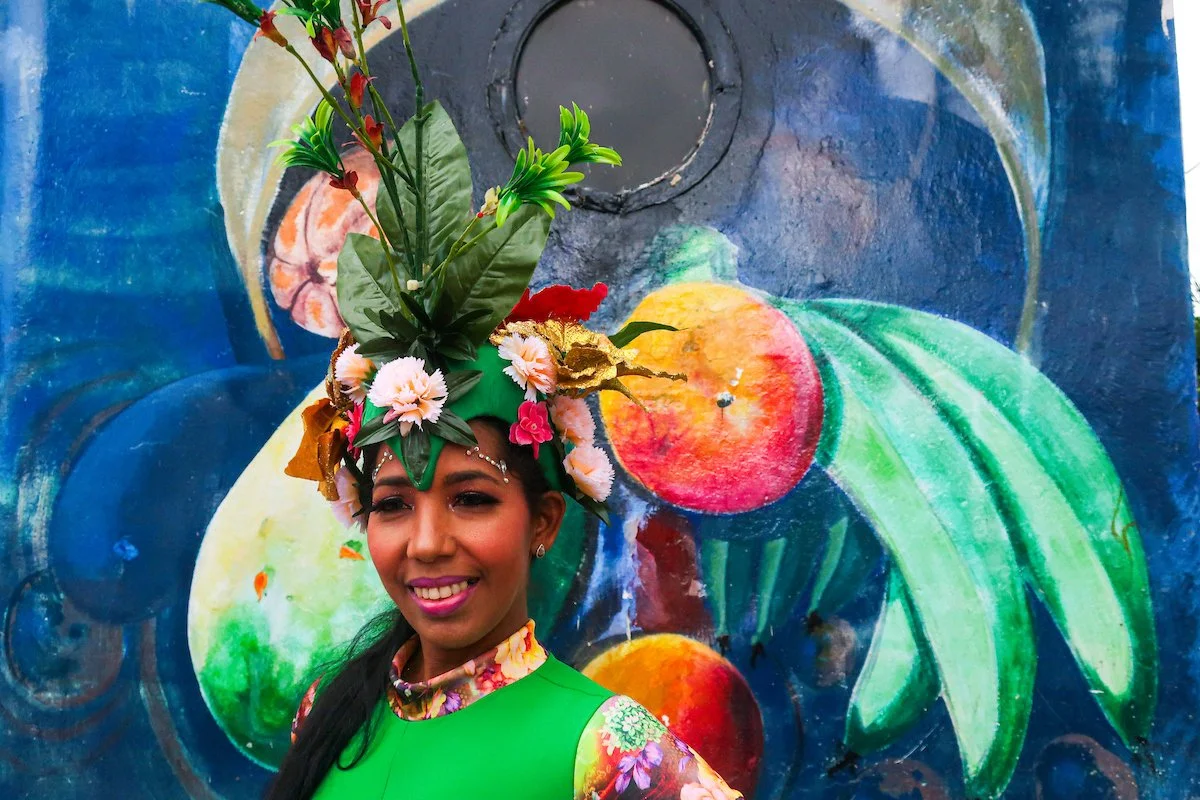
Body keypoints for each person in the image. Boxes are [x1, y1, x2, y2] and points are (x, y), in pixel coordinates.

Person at [268, 318, 743, 798]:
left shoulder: (608, 749)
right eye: (392, 505)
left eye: (471, 499)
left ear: (543, 522)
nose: (427, 543)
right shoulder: (329, 709)